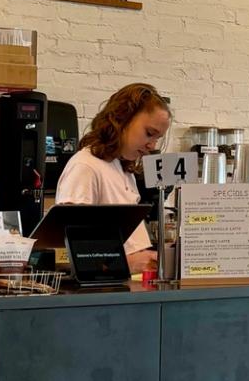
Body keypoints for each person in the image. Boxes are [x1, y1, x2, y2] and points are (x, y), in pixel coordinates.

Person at [55, 82, 170, 275]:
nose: (152, 145)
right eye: (149, 134)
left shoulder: (122, 169)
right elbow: (75, 254)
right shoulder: (86, 167)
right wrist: (129, 264)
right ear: (122, 119)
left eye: (157, 138)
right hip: (101, 296)